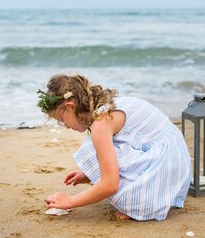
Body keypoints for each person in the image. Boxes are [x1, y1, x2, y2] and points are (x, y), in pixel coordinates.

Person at [38, 74, 191, 221]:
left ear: (70, 106)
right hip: (177, 164)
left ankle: (142, 204)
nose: (65, 126)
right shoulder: (109, 106)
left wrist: (70, 201)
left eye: (62, 120)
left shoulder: (101, 123)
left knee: (91, 149)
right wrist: (90, 174)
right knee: (99, 150)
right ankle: (152, 194)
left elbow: (110, 185)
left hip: (166, 165)